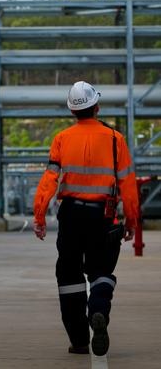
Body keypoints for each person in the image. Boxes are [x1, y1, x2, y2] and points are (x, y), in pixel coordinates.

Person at [32, 81, 138, 356]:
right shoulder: (116, 139)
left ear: (72, 112)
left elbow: (49, 180)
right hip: (103, 216)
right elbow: (128, 183)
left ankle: (79, 340)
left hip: (71, 216)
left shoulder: (62, 139)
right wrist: (132, 221)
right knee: (101, 270)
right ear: (97, 107)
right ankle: (99, 310)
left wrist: (39, 215)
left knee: (69, 275)